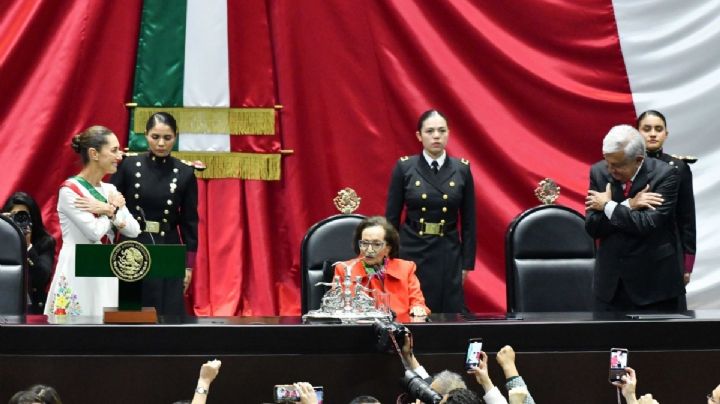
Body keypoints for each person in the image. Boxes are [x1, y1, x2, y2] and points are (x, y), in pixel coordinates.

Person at [585, 125, 685, 312]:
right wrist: (629, 205)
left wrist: (607, 206)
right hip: (610, 287)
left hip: (654, 286)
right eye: (608, 163)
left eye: (617, 165)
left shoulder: (665, 174)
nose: (611, 170)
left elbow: (647, 224)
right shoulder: (598, 172)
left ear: (638, 160)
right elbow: (593, 227)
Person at [385, 109, 476, 313]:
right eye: (430, 131)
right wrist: (390, 257)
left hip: (447, 249)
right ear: (419, 135)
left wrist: (466, 263)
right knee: (412, 308)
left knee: (448, 311)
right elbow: (391, 218)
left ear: (449, 133)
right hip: (412, 248)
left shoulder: (462, 169)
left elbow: (469, 221)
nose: (436, 136)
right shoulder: (405, 168)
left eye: (442, 130)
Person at [44, 126, 141, 317]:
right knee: (74, 331)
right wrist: (111, 209)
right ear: (94, 153)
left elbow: (134, 229)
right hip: (77, 266)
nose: (119, 156)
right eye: (113, 150)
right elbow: (94, 232)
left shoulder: (110, 189)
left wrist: (109, 212)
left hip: (105, 266)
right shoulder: (70, 191)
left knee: (104, 333)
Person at [110, 112, 198, 316]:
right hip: (132, 242)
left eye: (167, 138)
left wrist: (188, 266)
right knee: (131, 310)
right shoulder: (129, 166)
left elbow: (190, 223)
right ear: (146, 135)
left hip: (167, 244)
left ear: (175, 137)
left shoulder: (185, 172)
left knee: (167, 312)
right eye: (155, 137)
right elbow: (112, 206)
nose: (161, 143)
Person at [637, 110, 696, 294]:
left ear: (666, 134)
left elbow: (686, 218)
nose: (653, 133)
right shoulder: (625, 165)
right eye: (646, 129)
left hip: (670, 250)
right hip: (633, 249)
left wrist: (687, 264)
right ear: (637, 132)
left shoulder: (679, 168)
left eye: (658, 129)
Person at [334, 216, 430, 318]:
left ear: (388, 248)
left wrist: (417, 308)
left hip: (399, 328)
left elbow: (418, 302)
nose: (369, 250)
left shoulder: (405, 269)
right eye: (365, 243)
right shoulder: (344, 269)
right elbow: (336, 307)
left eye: (376, 244)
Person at [2, 192, 56, 314]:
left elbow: (41, 277)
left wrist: (27, 246)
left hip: (32, 306)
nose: (19, 220)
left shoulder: (45, 242)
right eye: (14, 216)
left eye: (24, 216)